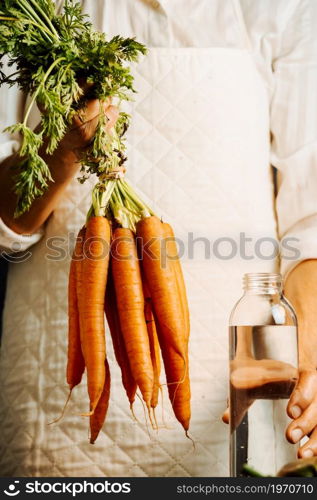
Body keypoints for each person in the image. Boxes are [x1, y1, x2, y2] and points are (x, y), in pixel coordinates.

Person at [0, 0, 317, 477]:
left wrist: (310, 351)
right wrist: (61, 148)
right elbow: (8, 218)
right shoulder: (26, 11)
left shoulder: (285, 8)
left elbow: (309, 220)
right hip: (56, 383)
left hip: (237, 370)